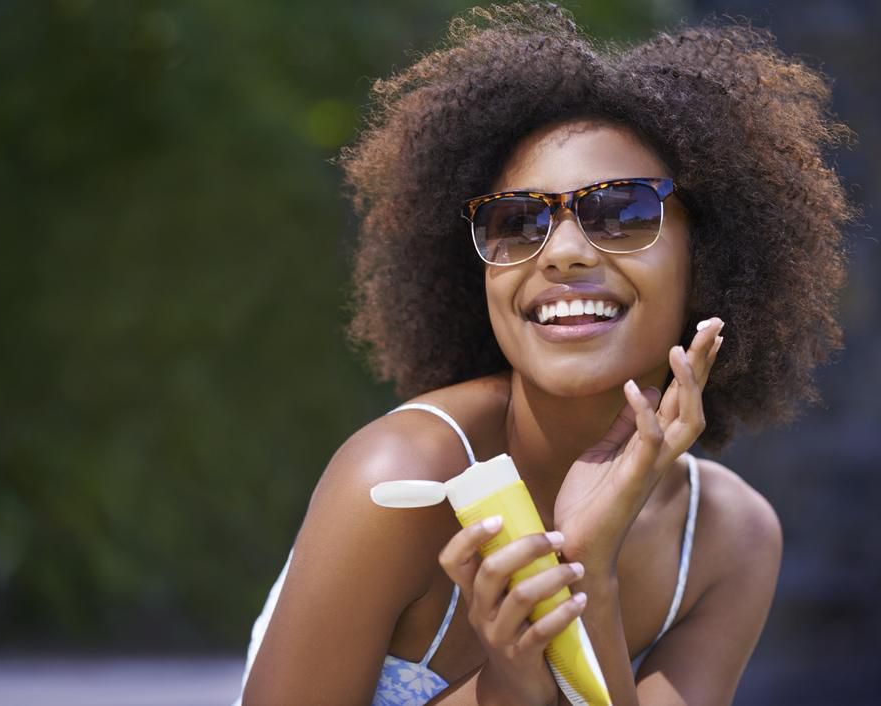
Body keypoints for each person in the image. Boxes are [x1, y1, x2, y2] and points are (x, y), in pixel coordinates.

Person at [235, 3, 854, 704]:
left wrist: (591, 565)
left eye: (621, 212)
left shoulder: (727, 541)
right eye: (516, 221)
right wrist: (504, 689)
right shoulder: (399, 482)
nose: (560, 252)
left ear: (707, 255)